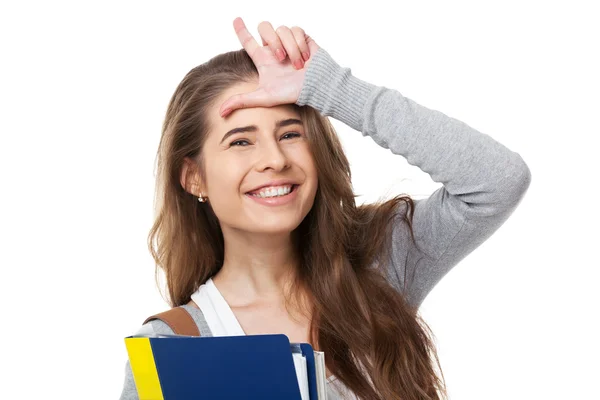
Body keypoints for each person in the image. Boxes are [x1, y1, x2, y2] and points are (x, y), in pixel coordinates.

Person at [119, 17, 531, 400]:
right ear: (194, 177)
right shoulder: (171, 349)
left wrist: (332, 88)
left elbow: (497, 181)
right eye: (241, 141)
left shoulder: (380, 268)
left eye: (291, 133)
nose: (275, 160)